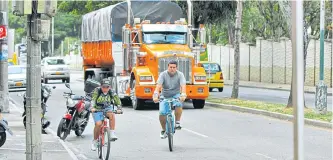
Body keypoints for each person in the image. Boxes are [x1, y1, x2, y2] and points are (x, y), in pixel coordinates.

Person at [153, 60, 187, 139]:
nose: (172, 69)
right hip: (164, 96)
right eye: (170, 67)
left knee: (179, 103)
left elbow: (183, 86)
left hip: (176, 95)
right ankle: (164, 130)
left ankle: (177, 122)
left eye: (174, 67)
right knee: (162, 113)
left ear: (176, 68)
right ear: (168, 67)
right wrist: (155, 95)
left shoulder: (180, 75)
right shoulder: (163, 74)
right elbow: (158, 86)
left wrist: (183, 95)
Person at [90, 78, 122, 151]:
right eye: (103, 87)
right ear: (101, 86)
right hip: (97, 109)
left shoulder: (111, 91)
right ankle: (94, 141)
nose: (105, 89)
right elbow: (93, 100)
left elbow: (117, 99)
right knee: (98, 124)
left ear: (109, 87)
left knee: (112, 114)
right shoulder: (97, 91)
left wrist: (119, 108)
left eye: (107, 87)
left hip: (107, 108)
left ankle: (112, 133)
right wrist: (92, 108)